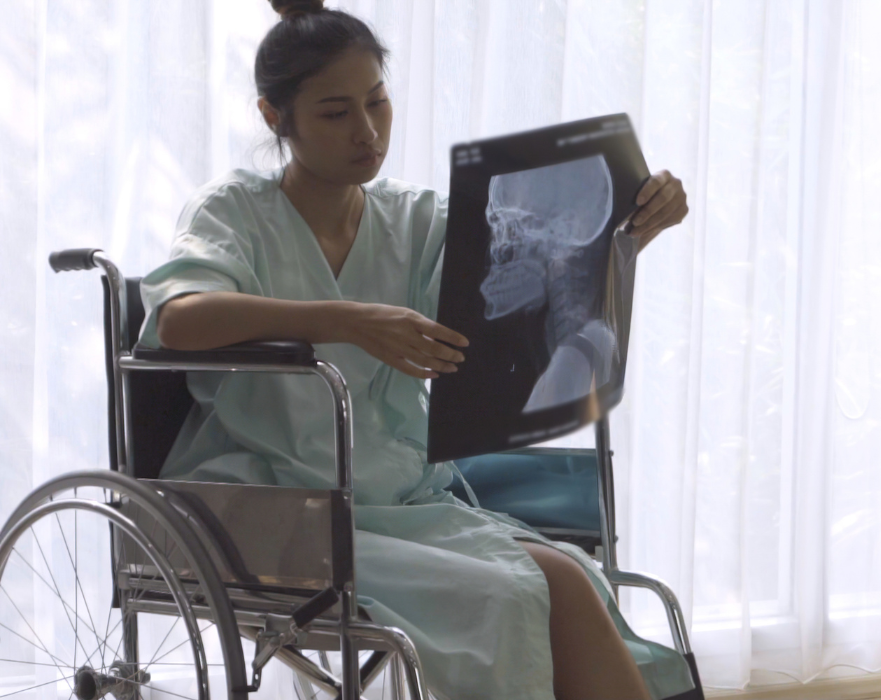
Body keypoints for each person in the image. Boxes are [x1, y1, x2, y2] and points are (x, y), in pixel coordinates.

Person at [138, 1, 692, 698]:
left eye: (378, 102)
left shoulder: (416, 218)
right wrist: (346, 320)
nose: (368, 132)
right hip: (277, 506)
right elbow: (180, 321)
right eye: (336, 113)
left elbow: (531, 294)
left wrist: (633, 226)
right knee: (508, 596)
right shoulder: (233, 212)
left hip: (396, 498)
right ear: (276, 118)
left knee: (571, 577)